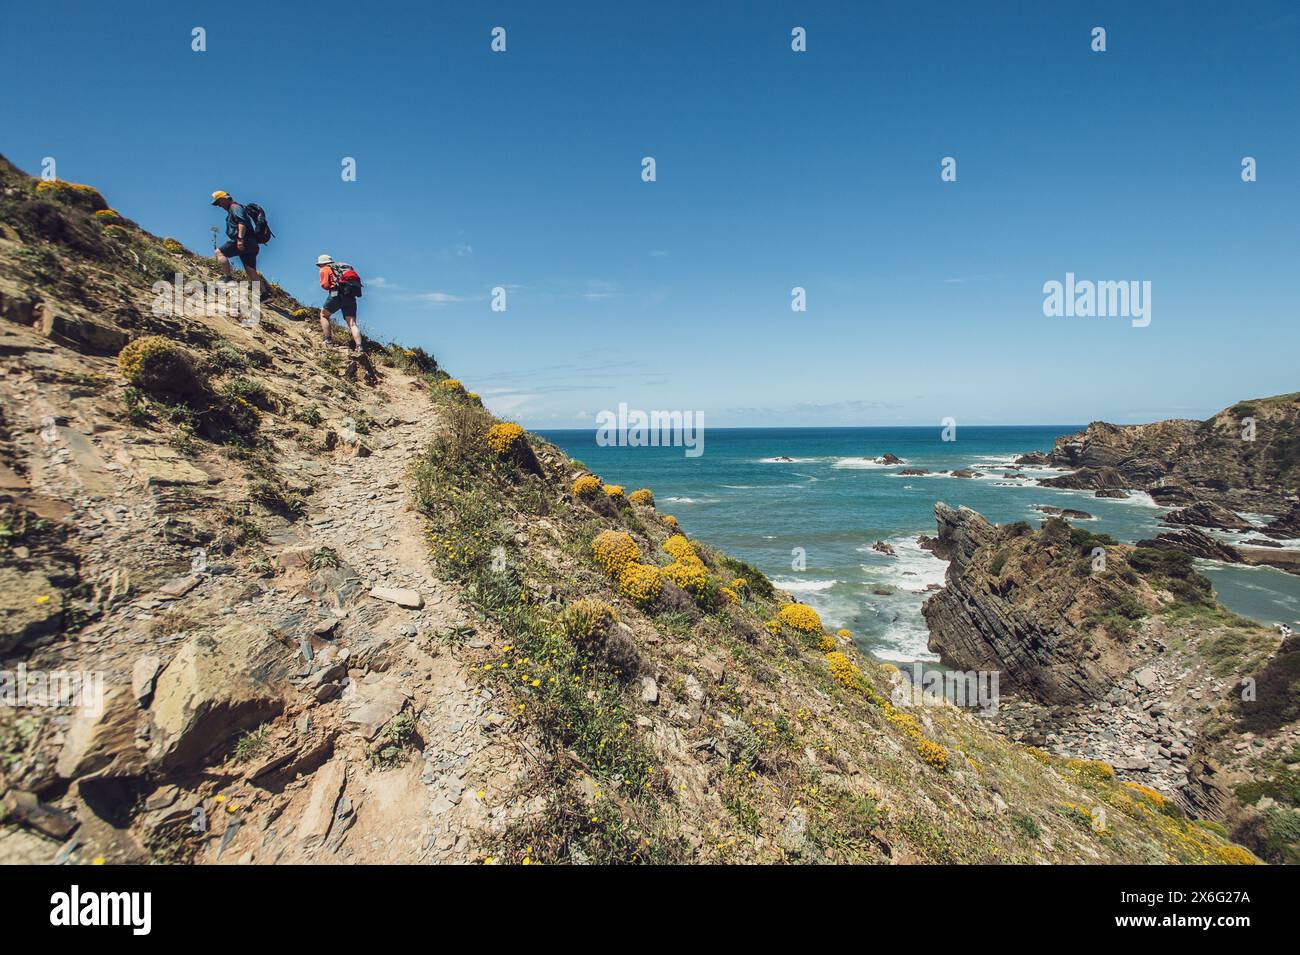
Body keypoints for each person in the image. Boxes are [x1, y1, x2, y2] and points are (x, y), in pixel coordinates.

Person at [210, 191, 270, 300]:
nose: (219, 205)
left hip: (243, 240)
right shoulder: (236, 208)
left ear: (225, 199)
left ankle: (227, 277)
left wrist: (240, 239)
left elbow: (241, 223)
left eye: (219, 202)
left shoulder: (235, 208)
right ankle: (264, 294)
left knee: (219, 252)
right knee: (250, 269)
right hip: (252, 244)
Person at [317, 254, 363, 354]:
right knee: (352, 323)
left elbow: (325, 285)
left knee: (323, 315)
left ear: (323, 263)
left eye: (319, 265)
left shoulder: (326, 268)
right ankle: (359, 347)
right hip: (351, 296)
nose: (319, 267)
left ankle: (328, 341)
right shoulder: (343, 267)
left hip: (336, 294)